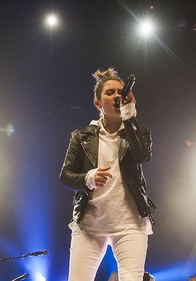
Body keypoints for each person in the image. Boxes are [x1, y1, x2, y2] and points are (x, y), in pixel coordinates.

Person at [59, 67, 156, 281]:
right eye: (109, 93)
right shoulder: (81, 136)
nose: (116, 96)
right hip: (90, 227)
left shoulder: (138, 133)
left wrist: (129, 112)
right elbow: (65, 176)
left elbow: (142, 156)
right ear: (97, 103)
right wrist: (88, 178)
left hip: (129, 224)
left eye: (120, 92)